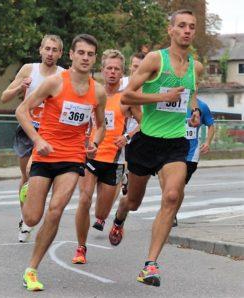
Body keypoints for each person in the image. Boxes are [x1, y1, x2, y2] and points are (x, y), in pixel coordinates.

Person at [108, 9, 202, 287]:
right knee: (133, 202)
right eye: (182, 26)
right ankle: (120, 215)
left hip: (175, 142)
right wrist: (162, 95)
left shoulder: (195, 67)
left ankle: (150, 264)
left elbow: (191, 95)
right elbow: (127, 95)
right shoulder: (155, 60)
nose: (187, 31)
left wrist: (193, 111)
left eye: (192, 27)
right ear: (171, 30)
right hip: (146, 141)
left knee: (173, 196)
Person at [15, 34, 106, 291]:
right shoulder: (54, 83)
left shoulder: (97, 91)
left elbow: (101, 126)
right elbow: (22, 110)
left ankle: (31, 269)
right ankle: (28, 192)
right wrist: (37, 139)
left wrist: (94, 143)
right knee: (32, 218)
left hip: (73, 157)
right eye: (81, 53)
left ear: (94, 58)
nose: (86, 57)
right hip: (46, 153)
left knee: (55, 210)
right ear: (72, 56)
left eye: (90, 54)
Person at [72, 49, 140, 264]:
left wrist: (127, 137)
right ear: (101, 70)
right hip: (90, 155)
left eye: (116, 69)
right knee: (84, 199)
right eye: (108, 68)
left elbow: (145, 122)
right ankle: (81, 248)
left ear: (122, 73)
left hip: (114, 160)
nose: (112, 72)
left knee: (101, 213)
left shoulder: (127, 97)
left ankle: (117, 221)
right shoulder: (92, 93)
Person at [0, 35, 64, 242]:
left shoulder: (64, 75)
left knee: (46, 178)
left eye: (55, 50)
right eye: (47, 49)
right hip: (29, 128)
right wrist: (20, 88)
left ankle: (38, 213)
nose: (50, 53)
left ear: (61, 53)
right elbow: (4, 97)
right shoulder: (29, 69)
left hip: (52, 131)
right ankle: (25, 218)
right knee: (27, 176)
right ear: (40, 50)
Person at [173, 98, 215, 226]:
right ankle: (169, 211)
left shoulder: (202, 106)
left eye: (195, 84)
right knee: (170, 186)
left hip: (191, 154)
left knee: (178, 185)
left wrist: (207, 142)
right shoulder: (173, 102)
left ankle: (172, 213)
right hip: (172, 151)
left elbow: (211, 125)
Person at [120, 52, 146, 195]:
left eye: (141, 68)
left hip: (137, 135)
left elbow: (146, 121)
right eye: (135, 66)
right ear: (130, 66)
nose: (137, 70)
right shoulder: (121, 83)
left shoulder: (149, 89)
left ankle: (127, 179)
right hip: (116, 132)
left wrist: (129, 135)